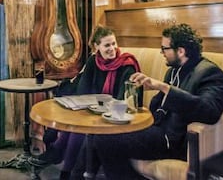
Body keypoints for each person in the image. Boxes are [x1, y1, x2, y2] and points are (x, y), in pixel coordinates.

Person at [72, 23, 223, 180]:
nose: (161, 53)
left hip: (171, 140)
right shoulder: (173, 70)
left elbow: (210, 111)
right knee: (100, 134)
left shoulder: (209, 73)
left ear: (180, 51)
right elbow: (158, 106)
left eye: (164, 49)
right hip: (154, 130)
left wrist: (163, 87)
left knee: (103, 138)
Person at [29, 25, 141, 179]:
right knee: (74, 124)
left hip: (114, 117)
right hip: (93, 110)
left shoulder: (126, 65)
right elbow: (82, 91)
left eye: (114, 43)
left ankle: (64, 168)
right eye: (107, 45)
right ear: (96, 47)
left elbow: (124, 99)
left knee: (78, 129)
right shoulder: (93, 61)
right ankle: (63, 165)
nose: (112, 48)